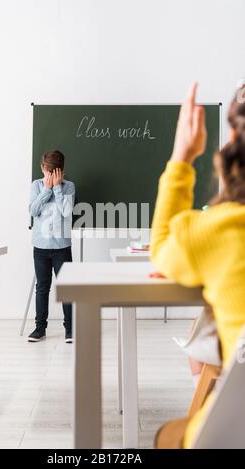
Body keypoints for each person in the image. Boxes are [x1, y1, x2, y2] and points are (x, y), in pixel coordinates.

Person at [150, 82, 245, 448]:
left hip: (229, 435)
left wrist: (182, 157)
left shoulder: (216, 230)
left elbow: (160, 247)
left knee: (168, 435)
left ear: (234, 140)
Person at [28, 149, 75, 343]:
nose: (49, 176)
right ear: (42, 169)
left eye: (54, 173)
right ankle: (40, 328)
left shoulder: (69, 186)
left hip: (61, 247)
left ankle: (70, 329)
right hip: (41, 246)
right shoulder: (37, 185)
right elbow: (33, 210)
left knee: (67, 287)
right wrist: (47, 190)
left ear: (61, 171)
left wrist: (56, 188)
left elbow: (66, 212)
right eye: (47, 172)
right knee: (42, 288)